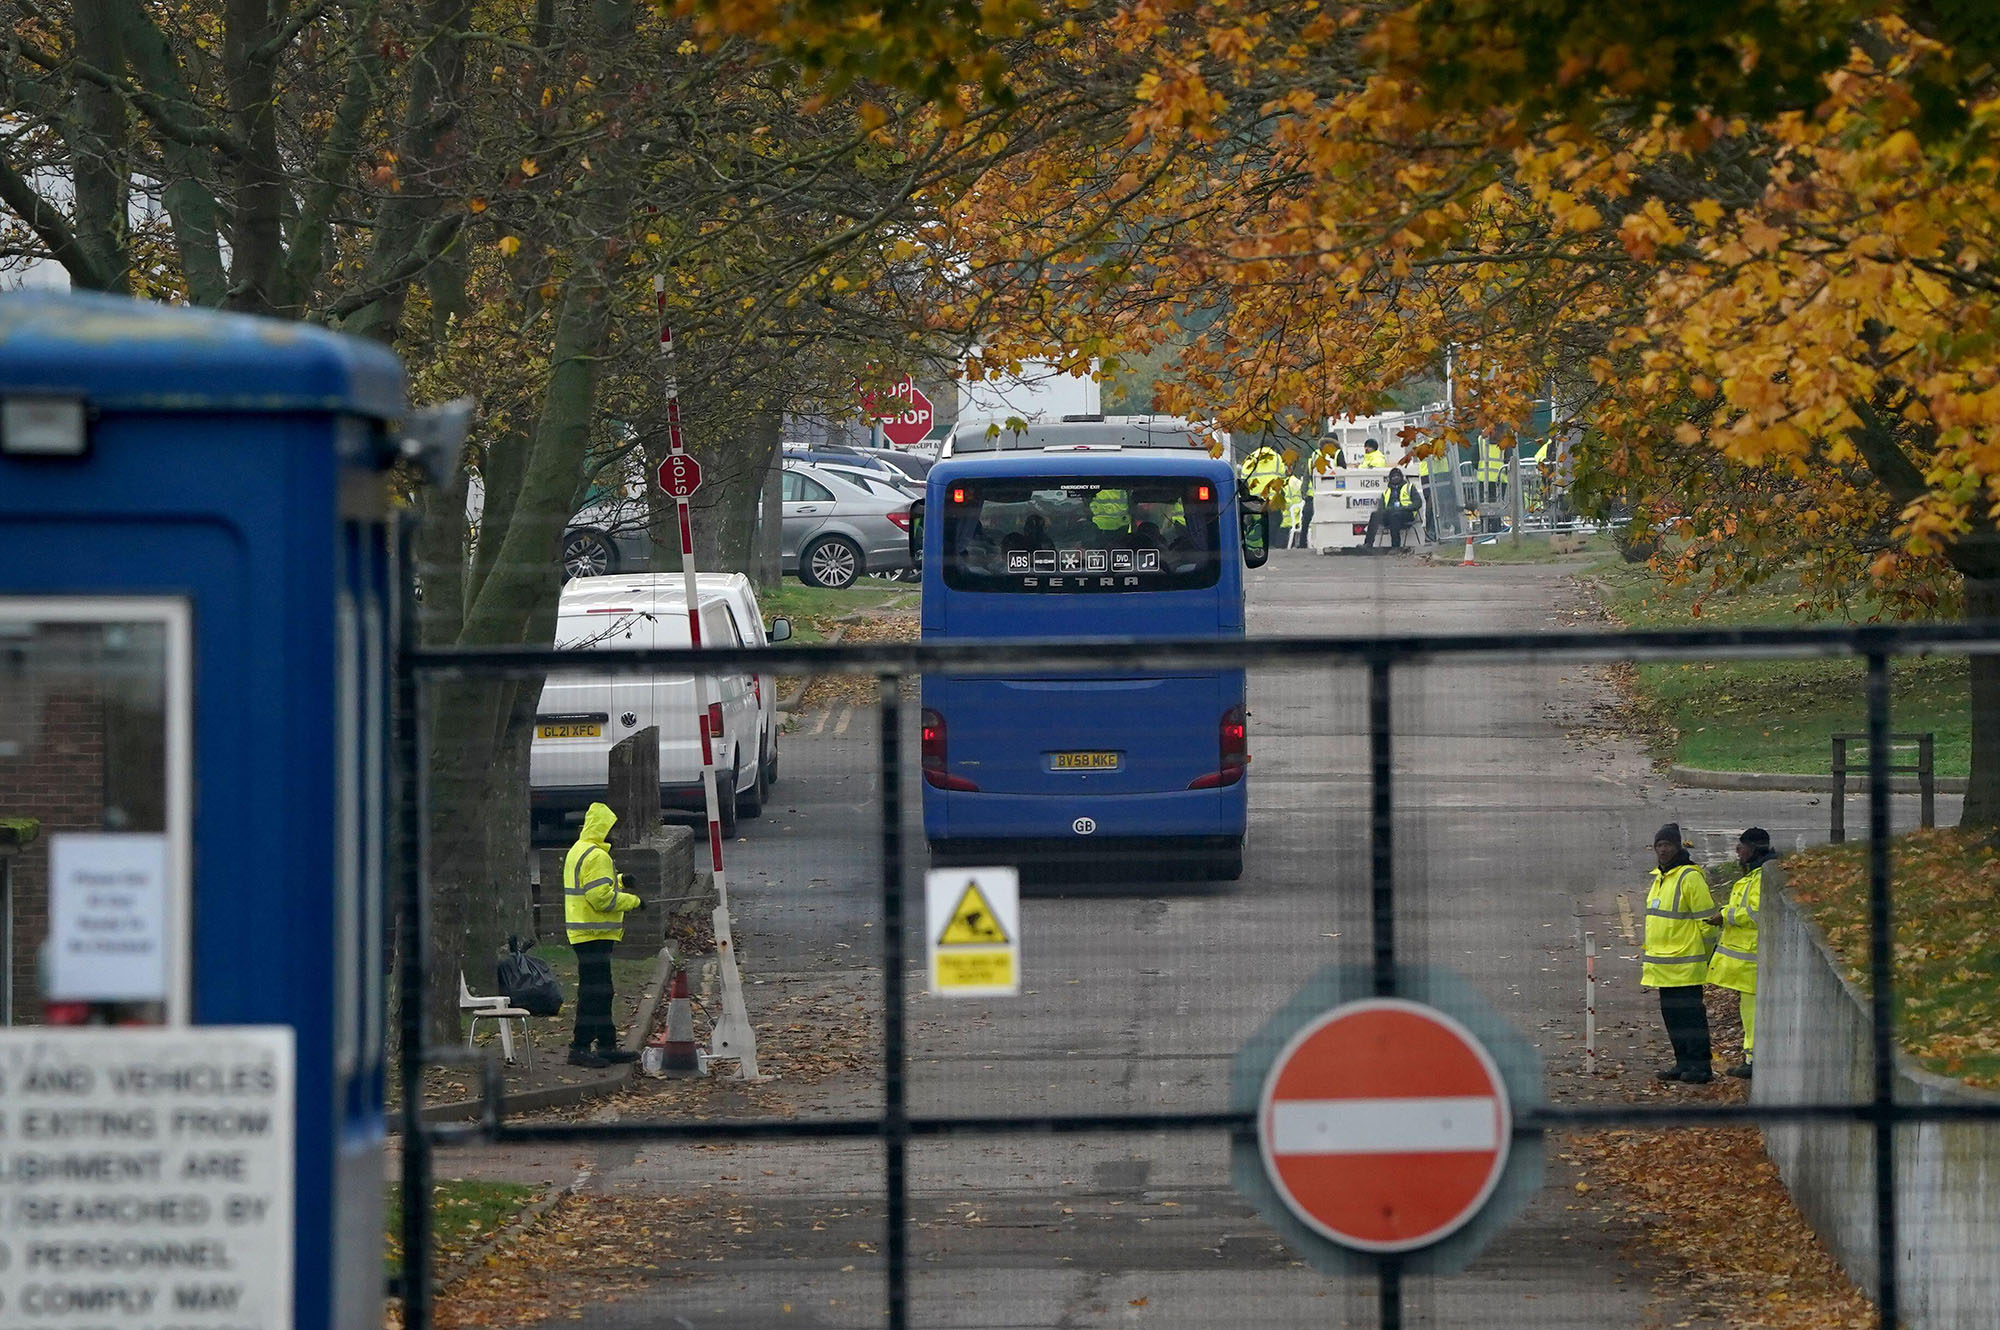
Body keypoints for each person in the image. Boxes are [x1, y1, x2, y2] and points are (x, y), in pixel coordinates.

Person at [563, 802, 642, 1068]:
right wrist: (633, 901)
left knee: (601, 991)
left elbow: (593, 885)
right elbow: (600, 898)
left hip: (584, 933)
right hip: (593, 933)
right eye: (611, 828)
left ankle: (607, 1045)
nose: (614, 833)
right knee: (594, 993)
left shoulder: (579, 850)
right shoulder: (598, 856)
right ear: (602, 829)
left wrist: (619, 881)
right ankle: (581, 1047)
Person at [1643, 822, 1716, 1084]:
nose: (1662, 850)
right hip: (1664, 967)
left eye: (1667, 845)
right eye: (1658, 846)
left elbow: (1707, 924)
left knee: (1690, 1017)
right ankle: (1683, 1062)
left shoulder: (1689, 877)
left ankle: (1700, 1066)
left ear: (1678, 846)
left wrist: (1706, 956)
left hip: (1685, 964)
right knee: (1673, 1017)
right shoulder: (1661, 878)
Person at [1708, 828, 1774, 1079]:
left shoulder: (1760, 878)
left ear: (1753, 849)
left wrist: (1724, 915)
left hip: (1753, 959)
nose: (1737, 852)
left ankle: (1753, 1060)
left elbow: (1756, 913)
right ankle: (1750, 1057)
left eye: (1740, 847)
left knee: (1752, 1013)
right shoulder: (1757, 875)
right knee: (1749, 1013)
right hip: (1751, 959)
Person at [1362, 466, 1422, 550]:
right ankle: (1368, 544)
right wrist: (1386, 511)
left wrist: (1404, 508)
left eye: (1397, 476)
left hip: (1406, 513)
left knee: (1395, 515)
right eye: (1393, 477)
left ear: (1401, 477)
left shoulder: (1409, 487)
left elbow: (1418, 503)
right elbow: (1381, 508)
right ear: (1390, 479)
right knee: (1375, 515)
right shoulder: (1386, 492)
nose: (1395, 478)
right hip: (1390, 513)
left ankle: (1395, 547)